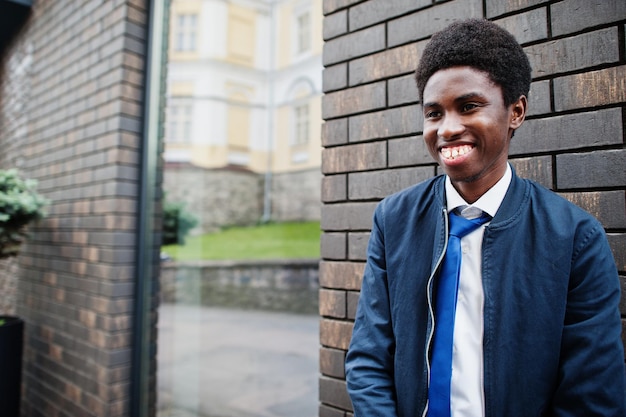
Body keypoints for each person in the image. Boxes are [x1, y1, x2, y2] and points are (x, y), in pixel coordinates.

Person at [345, 18, 625, 417]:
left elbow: (592, 395)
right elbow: (369, 357)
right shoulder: (394, 220)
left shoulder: (575, 238)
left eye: (469, 107)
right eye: (434, 113)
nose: (448, 129)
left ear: (516, 111)